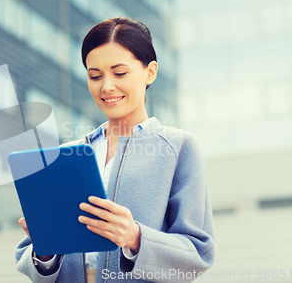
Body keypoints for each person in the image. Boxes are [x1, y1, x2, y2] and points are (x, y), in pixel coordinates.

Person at [14, 16, 216, 283]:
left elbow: (197, 255)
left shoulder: (178, 148)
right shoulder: (67, 154)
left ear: (150, 72)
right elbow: (35, 264)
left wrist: (135, 238)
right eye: (95, 76)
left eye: (119, 73)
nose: (106, 86)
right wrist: (46, 250)